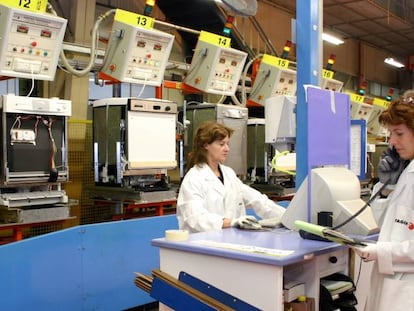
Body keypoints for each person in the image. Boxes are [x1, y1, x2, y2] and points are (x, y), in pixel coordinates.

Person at [352, 90, 414, 311]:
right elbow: (384, 225)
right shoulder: (407, 172)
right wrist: (387, 188)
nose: (392, 141)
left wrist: (381, 251)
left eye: (399, 133)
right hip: (391, 288)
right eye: (390, 134)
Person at [176, 121, 286, 233]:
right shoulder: (194, 179)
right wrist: (232, 222)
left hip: (231, 240)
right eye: (221, 144)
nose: (227, 149)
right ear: (206, 145)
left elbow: (257, 200)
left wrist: (287, 217)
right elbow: (196, 218)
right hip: (203, 244)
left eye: (227, 144)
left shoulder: (228, 174)